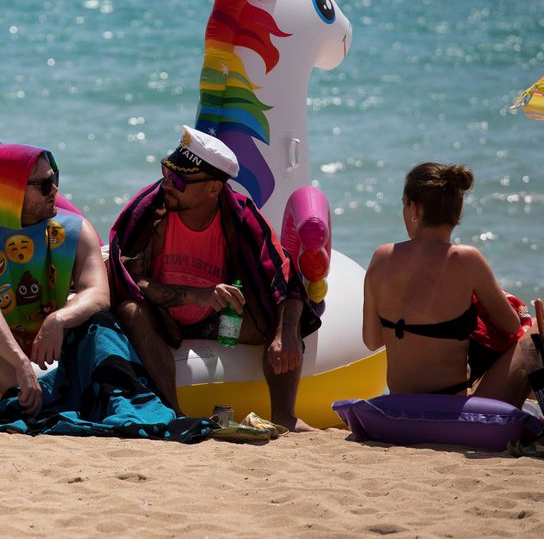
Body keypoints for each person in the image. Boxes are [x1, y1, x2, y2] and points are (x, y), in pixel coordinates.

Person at [108, 126, 320, 431]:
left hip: (219, 322)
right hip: (163, 318)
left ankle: (284, 414)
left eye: (179, 180)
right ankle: (175, 413)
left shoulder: (240, 217)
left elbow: (283, 275)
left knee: (285, 316)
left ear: (213, 188)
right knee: (130, 310)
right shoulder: (152, 210)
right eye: (167, 172)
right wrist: (197, 295)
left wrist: (284, 332)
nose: (168, 184)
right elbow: (130, 280)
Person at [0, 134, 109, 416]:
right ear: (14, 191)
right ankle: (37, 404)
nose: (55, 190)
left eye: (55, 177)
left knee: (100, 319)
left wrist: (58, 319)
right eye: (45, 184)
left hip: (51, 340)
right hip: (2, 345)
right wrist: (20, 362)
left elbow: (98, 293)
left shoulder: (73, 230)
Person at [363, 162, 541, 404]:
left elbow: (372, 341)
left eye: (404, 204)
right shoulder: (466, 259)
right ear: (456, 213)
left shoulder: (381, 257)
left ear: (414, 208)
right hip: (451, 406)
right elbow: (511, 325)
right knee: (537, 332)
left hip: (401, 403)